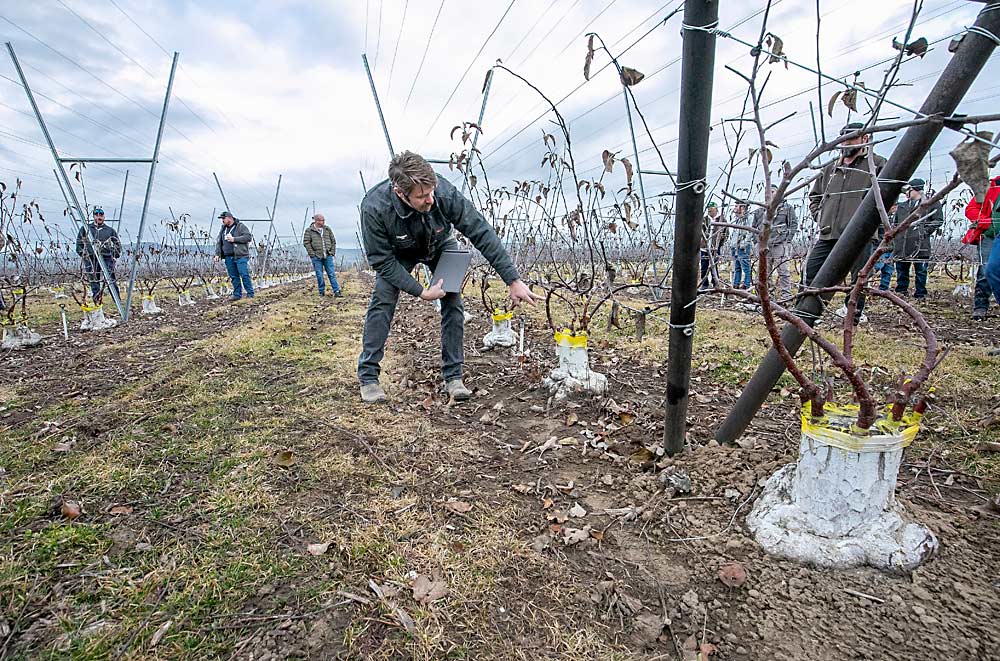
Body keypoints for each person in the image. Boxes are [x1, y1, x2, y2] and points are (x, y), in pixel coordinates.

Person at [358, 151, 540, 404]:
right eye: (421, 196)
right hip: (399, 254)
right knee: (382, 300)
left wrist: (513, 279)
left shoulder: (444, 193)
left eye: (431, 191)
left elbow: (481, 232)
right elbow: (381, 260)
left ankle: (453, 377)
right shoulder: (374, 207)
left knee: (453, 302)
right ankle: (368, 377)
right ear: (401, 193)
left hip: (440, 243)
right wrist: (420, 291)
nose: (430, 199)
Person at [806, 122, 887, 325]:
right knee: (812, 271)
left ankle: (853, 317)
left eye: (851, 138)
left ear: (865, 139)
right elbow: (815, 197)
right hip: (828, 232)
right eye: (842, 138)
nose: (845, 142)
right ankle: (807, 314)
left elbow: (886, 199)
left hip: (860, 235)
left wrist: (867, 225)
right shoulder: (830, 168)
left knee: (858, 279)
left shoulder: (876, 165)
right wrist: (820, 216)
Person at [890, 178, 943, 300]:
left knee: (920, 270)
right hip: (902, 243)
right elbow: (896, 223)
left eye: (909, 190)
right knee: (901, 269)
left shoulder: (930, 204)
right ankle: (901, 292)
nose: (906, 193)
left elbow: (938, 220)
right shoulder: (902, 206)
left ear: (917, 190)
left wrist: (923, 232)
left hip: (920, 243)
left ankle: (920, 294)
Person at [963, 175, 1000, 320]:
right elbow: (971, 209)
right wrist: (986, 223)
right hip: (990, 237)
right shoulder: (990, 187)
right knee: (986, 270)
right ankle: (980, 306)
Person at [752, 185, 799, 299]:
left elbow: (793, 225)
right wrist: (757, 241)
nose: (769, 194)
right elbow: (754, 227)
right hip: (764, 245)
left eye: (772, 191)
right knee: (764, 272)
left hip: (780, 244)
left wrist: (787, 239)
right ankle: (767, 296)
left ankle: (786, 296)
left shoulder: (787, 208)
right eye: (767, 192)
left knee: (784, 271)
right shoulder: (759, 210)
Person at [75, 207, 121, 304]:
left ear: (104, 217)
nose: (99, 217)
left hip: (106, 258)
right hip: (91, 259)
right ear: (93, 216)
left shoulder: (110, 230)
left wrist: (113, 253)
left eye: (101, 215)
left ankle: (117, 302)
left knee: (110, 279)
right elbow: (79, 244)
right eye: (97, 215)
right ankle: (97, 302)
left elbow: (117, 245)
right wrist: (85, 254)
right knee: (94, 281)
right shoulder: (85, 228)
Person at [213, 211, 255, 301]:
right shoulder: (223, 229)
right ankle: (237, 295)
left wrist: (234, 239)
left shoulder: (240, 226)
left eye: (223, 218)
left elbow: (248, 237)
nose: (222, 221)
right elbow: (219, 242)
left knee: (244, 274)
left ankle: (250, 294)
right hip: (228, 257)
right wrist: (217, 254)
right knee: (233, 276)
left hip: (240, 255)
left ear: (229, 218)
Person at [303, 213, 342, 297]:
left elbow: (333, 241)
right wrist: (312, 254)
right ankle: (321, 292)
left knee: (331, 274)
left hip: (328, 255)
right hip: (316, 257)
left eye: (323, 220)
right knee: (319, 275)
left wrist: (332, 252)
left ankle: (337, 291)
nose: (323, 222)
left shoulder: (327, 229)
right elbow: (306, 243)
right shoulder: (309, 231)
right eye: (321, 220)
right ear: (316, 221)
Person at [700, 201, 728, 289]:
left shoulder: (722, 220)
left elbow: (726, 233)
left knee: (714, 266)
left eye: (711, 209)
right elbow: (699, 232)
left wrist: (719, 243)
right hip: (704, 247)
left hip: (715, 247)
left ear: (716, 209)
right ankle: (704, 284)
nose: (709, 211)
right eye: (708, 209)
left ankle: (715, 282)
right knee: (704, 265)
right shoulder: (704, 220)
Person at [875, 199, 901, 291]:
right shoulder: (881, 218)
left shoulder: (895, 218)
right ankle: (866, 284)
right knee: (877, 266)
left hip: (892, 248)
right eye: (893, 206)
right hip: (881, 247)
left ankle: (884, 288)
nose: (895, 208)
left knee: (888, 270)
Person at [729, 201, 753, 289]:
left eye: (736, 206)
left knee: (746, 267)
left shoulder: (749, 218)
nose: (734, 208)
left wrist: (744, 244)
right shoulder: (736, 219)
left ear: (742, 207)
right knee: (737, 267)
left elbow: (750, 233)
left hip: (743, 247)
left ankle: (746, 285)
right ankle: (736, 284)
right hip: (735, 246)